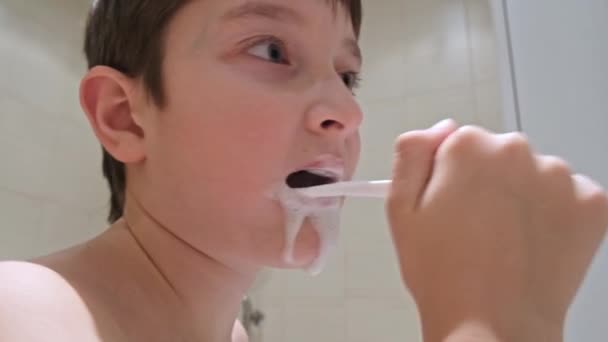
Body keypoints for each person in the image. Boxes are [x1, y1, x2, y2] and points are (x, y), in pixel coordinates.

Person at [1, 1, 607, 341]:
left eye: (347, 75)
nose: (347, 112)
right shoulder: (22, 312)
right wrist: (494, 325)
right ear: (124, 118)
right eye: (270, 50)